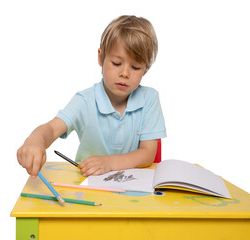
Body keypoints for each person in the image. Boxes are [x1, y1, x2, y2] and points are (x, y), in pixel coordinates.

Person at [17, 15, 166, 179]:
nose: (124, 73)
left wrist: (109, 163)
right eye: (116, 63)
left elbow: (147, 154)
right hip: (88, 183)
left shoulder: (149, 99)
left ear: (145, 70)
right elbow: (52, 129)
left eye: (136, 67)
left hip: (132, 186)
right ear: (100, 57)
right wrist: (35, 141)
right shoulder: (84, 100)